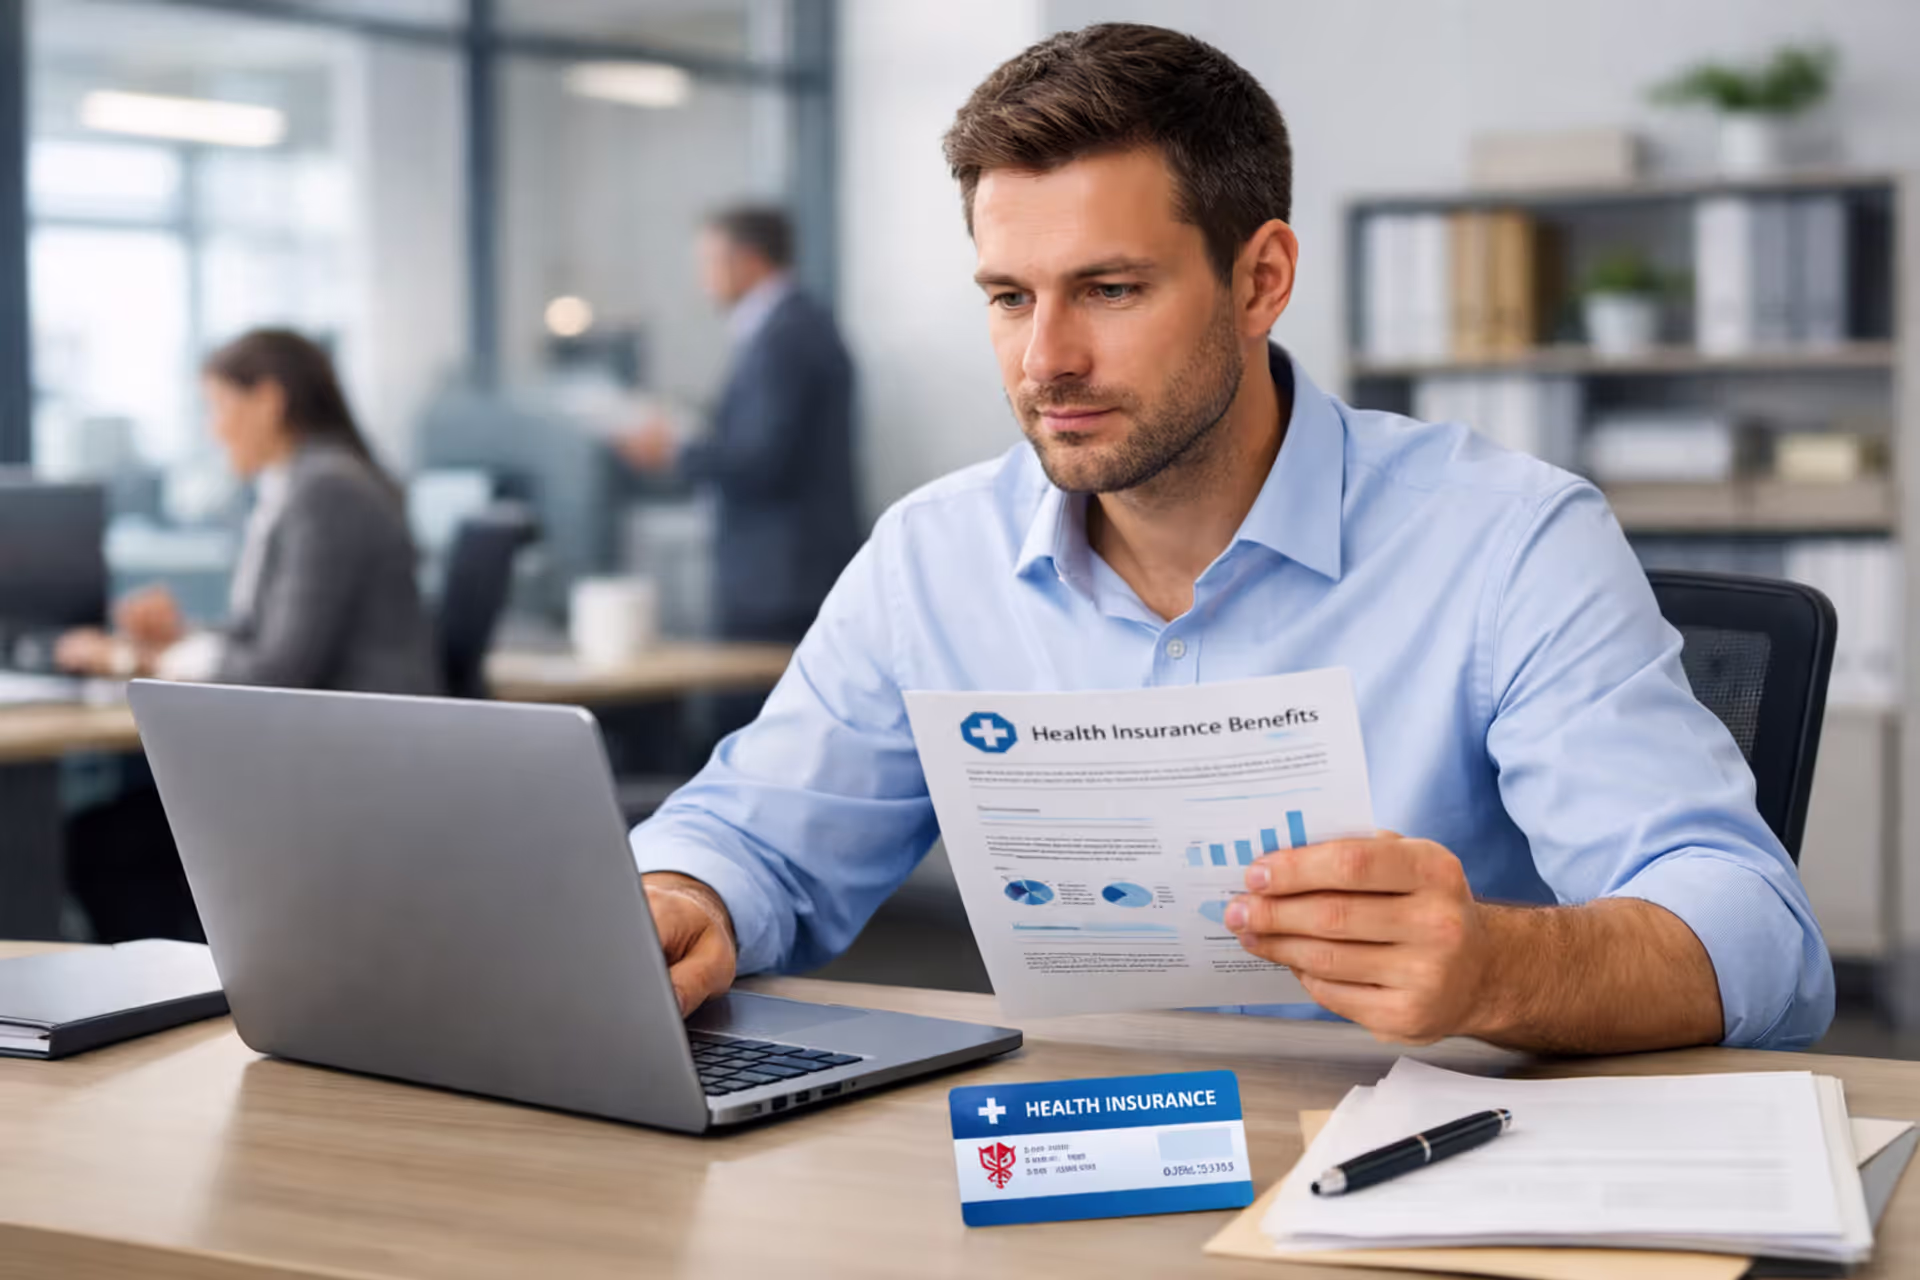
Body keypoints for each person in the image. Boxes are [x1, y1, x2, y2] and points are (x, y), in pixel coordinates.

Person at [630, 24, 1833, 1054]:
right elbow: (751, 836)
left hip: (1419, 1179)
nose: (1045, 359)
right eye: (1009, 296)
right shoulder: (932, 557)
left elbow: (1755, 932)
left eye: (1109, 290)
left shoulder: (1509, 540)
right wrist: (685, 894)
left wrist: (1499, 967)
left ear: (1260, 281)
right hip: (1063, 1176)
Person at [58, 327, 440, 940]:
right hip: (315, 759)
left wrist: (135, 656)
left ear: (268, 399)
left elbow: (280, 670)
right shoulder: (295, 486)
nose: (213, 429)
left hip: (346, 774)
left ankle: (183, 1005)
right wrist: (174, 640)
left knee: (104, 844)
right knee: (110, 834)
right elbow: (266, 636)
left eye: (219, 407)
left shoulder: (326, 489)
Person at [617, 205, 862, 646]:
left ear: (748, 260)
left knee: (757, 709)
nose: (703, 280)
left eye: (709, 263)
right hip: (786, 574)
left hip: (781, 582)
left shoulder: (786, 335)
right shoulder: (792, 326)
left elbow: (761, 459)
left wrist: (674, 451)